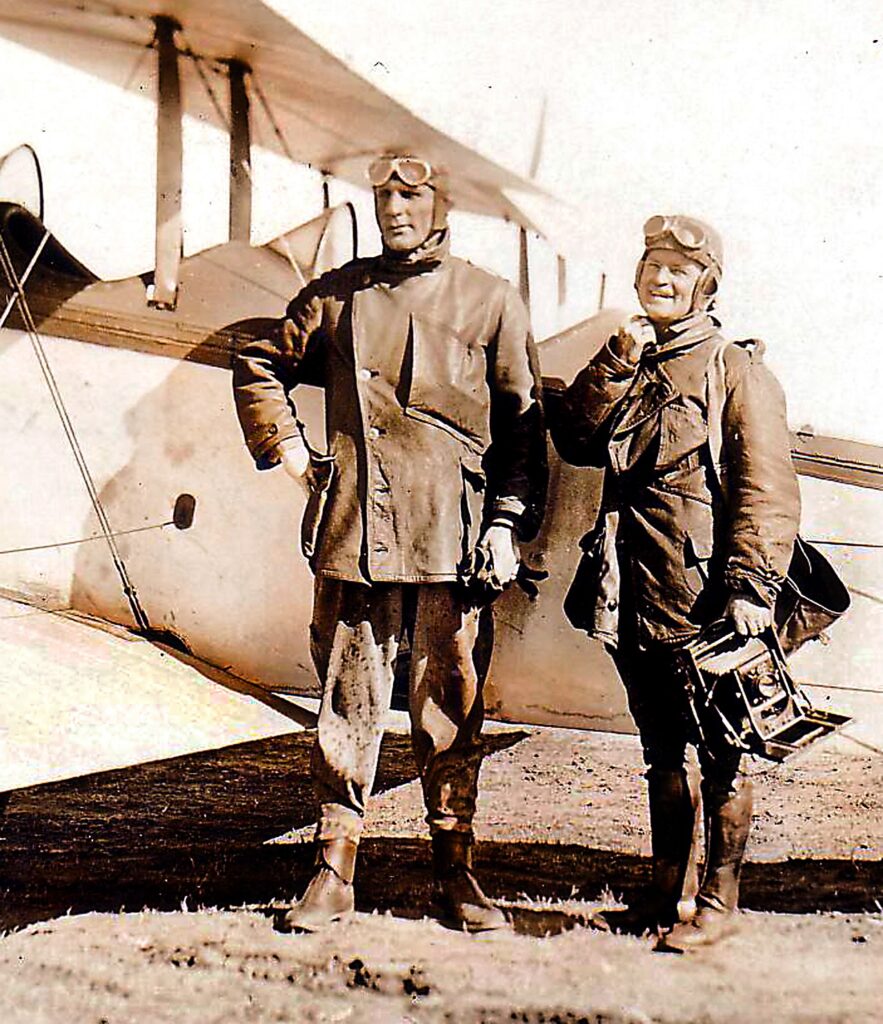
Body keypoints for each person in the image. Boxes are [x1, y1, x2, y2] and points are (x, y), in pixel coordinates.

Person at [233, 153, 547, 933]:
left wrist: (506, 524)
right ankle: (333, 869)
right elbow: (258, 360)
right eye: (383, 196)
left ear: (442, 202)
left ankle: (456, 872)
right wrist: (291, 452)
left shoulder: (489, 300)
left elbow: (521, 426)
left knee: (450, 704)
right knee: (346, 703)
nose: (395, 209)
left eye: (411, 195)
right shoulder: (337, 294)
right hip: (357, 533)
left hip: (453, 535)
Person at [550, 214, 800, 952]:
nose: (660, 279)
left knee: (724, 750)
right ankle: (664, 893)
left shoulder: (737, 372)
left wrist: (752, 588)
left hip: (706, 600)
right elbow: (576, 439)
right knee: (661, 749)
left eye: (678, 271)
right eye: (651, 266)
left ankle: (717, 904)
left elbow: (767, 491)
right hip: (631, 591)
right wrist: (616, 359)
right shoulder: (633, 361)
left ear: (705, 285)